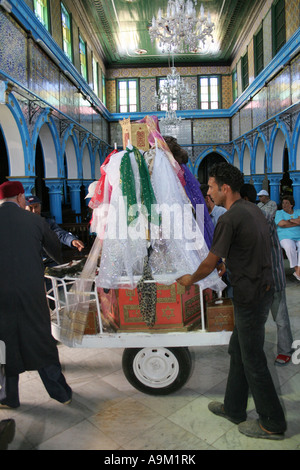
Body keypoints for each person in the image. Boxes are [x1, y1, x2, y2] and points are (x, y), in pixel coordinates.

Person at [176, 162, 287, 440]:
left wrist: (191, 279)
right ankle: (234, 408)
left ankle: (272, 423)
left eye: (212, 186)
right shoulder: (253, 210)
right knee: (238, 351)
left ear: (225, 188)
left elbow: (210, 262)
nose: (209, 192)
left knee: (253, 359)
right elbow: (248, 250)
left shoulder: (230, 218)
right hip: (261, 291)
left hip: (249, 296)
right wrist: (231, 265)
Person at [0, 181, 72, 408]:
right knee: (40, 339)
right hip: (31, 291)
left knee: (4, 345)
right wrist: (60, 263)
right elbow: (54, 250)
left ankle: (8, 397)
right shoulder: (35, 221)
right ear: (20, 197)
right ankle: (61, 393)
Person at [241, 184, 294, 366]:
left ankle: (285, 350)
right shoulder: (250, 216)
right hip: (259, 278)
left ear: (245, 200)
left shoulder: (260, 217)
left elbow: (260, 248)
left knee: (279, 318)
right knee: (263, 319)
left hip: (271, 276)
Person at [25, 195, 84, 265]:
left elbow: (60, 234)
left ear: (40, 207)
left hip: (49, 261)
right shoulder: (20, 225)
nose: (34, 211)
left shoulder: (47, 222)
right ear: (24, 208)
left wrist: (72, 240)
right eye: (30, 208)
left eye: (36, 207)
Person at [275, 195, 300, 281]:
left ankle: (299, 269)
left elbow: (286, 224)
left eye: (287, 203)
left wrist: (288, 222)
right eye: (283, 203)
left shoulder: (298, 211)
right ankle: (296, 269)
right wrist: (294, 221)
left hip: (298, 236)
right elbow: (281, 224)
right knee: (290, 247)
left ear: (291, 205)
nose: (284, 205)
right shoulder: (279, 213)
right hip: (285, 237)